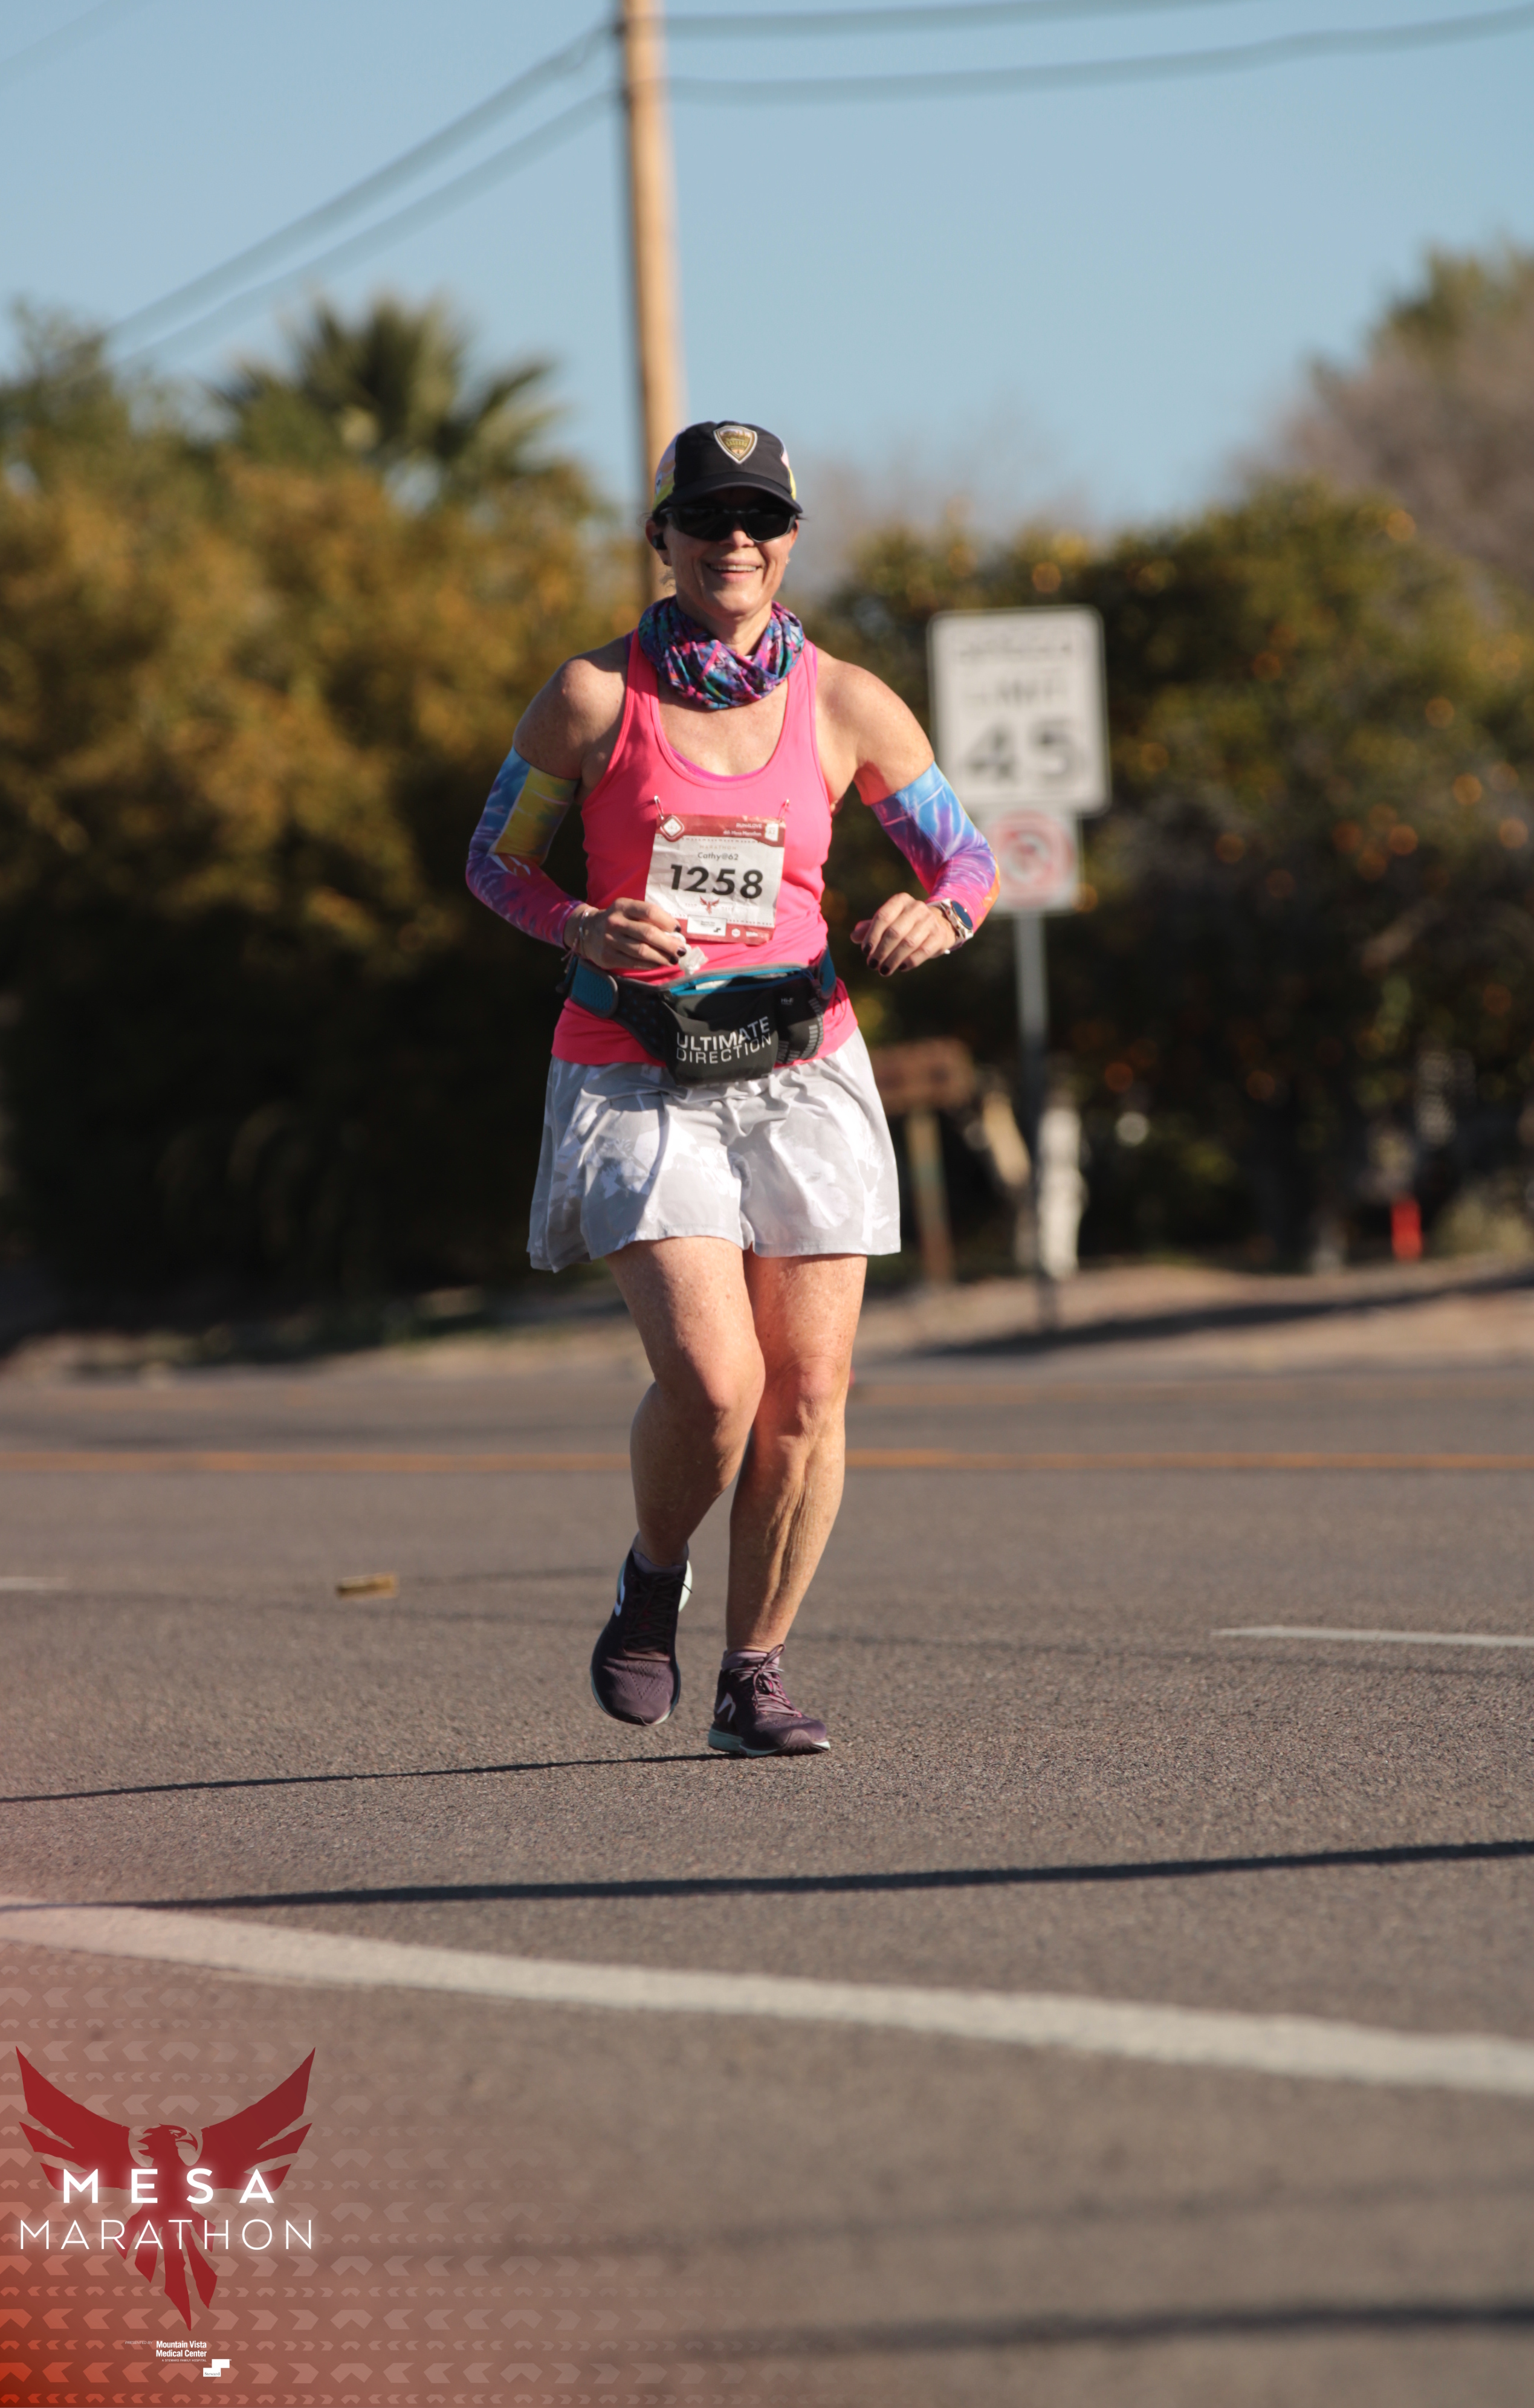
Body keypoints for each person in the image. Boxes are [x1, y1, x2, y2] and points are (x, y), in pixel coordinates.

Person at [467, 420, 998, 1756]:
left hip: (799, 1066)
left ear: (792, 540)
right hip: (635, 1071)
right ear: (663, 537)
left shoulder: (847, 703)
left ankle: (751, 1677)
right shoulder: (593, 698)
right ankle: (653, 1577)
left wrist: (938, 914)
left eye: (761, 518)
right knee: (715, 1384)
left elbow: (966, 861)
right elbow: (493, 861)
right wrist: (579, 924)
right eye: (706, 518)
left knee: (806, 1395)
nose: (735, 541)